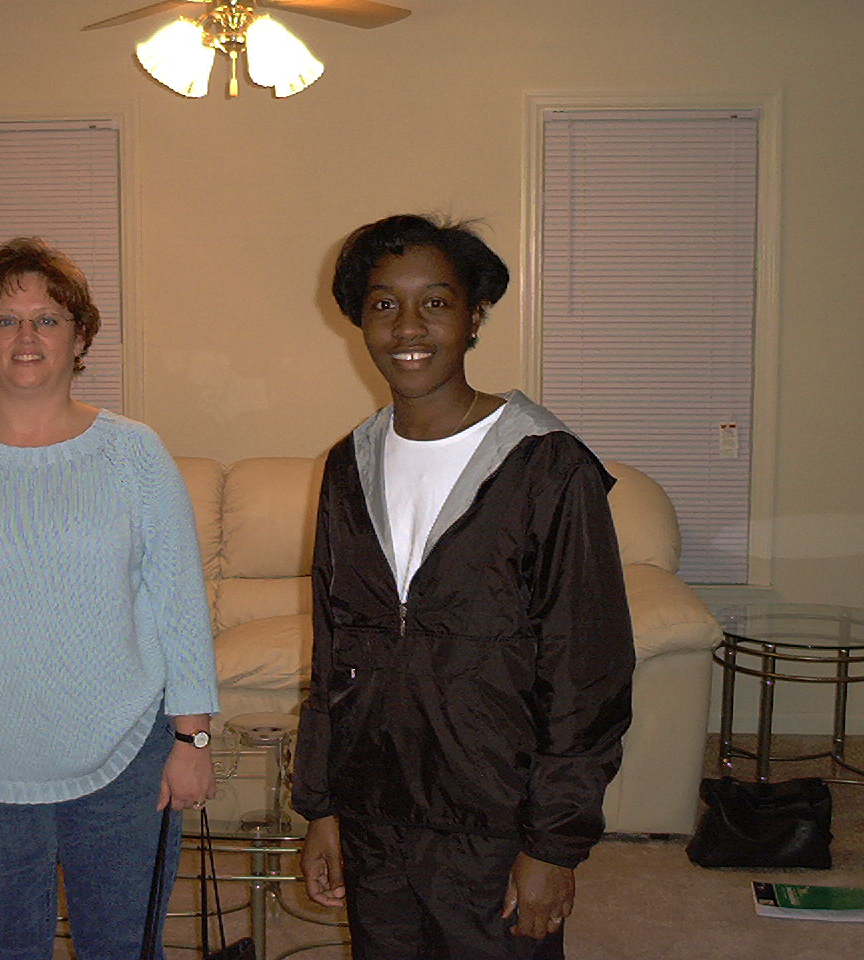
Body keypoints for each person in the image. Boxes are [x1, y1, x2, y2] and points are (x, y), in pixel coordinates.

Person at [292, 215, 635, 960]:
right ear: (360, 321)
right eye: (385, 304)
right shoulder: (348, 467)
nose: (408, 327)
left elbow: (587, 673)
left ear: (474, 316)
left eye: (436, 303)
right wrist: (322, 807)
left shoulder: (547, 465)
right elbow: (331, 650)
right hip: (375, 817)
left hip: (495, 823)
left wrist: (553, 846)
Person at [0, 237, 219, 960]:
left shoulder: (134, 453)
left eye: (48, 319)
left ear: (80, 337)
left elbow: (180, 605)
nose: (25, 336)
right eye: (5, 319)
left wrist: (193, 740)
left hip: (127, 761)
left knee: (123, 950)